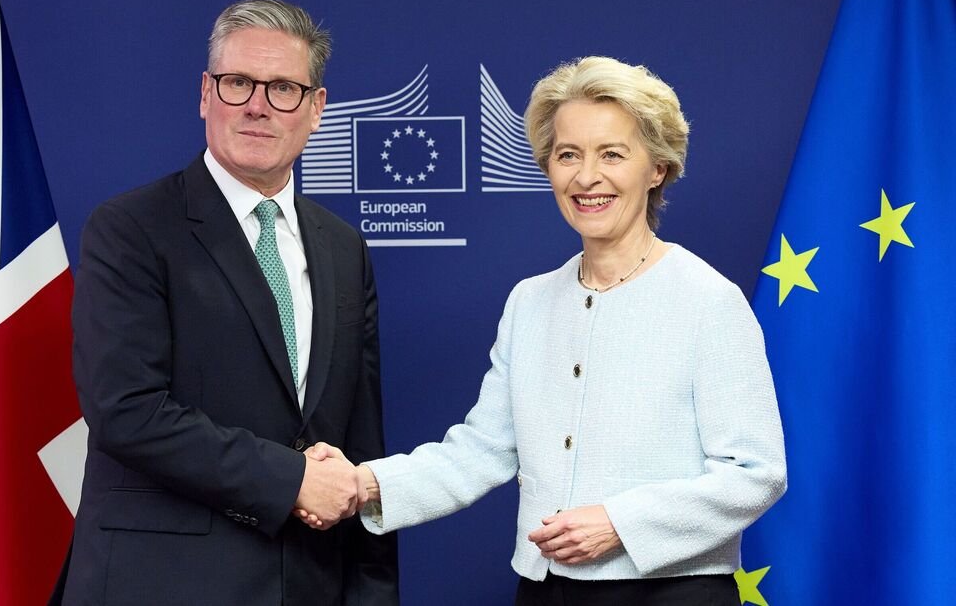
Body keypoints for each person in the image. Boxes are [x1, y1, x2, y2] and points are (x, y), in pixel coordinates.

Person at [301, 56, 786, 605]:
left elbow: (756, 473)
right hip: (544, 591)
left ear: (657, 168)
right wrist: (363, 483)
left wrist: (621, 523)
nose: (586, 177)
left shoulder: (708, 301)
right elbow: (482, 449)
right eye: (568, 154)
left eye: (612, 154)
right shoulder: (529, 301)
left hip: (674, 594)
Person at [55, 0, 398, 606]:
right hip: (162, 586)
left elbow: (360, 442)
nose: (257, 105)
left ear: (317, 108)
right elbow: (126, 410)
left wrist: (371, 593)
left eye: (283, 88)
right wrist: (292, 480)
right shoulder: (131, 229)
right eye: (238, 82)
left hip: (311, 583)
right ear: (205, 94)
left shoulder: (344, 248)